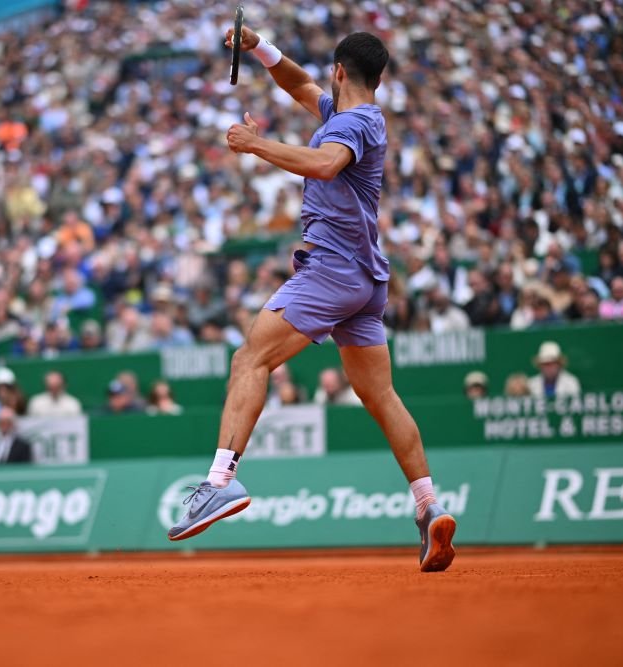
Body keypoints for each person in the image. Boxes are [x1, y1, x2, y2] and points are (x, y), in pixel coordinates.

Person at [168, 25, 456, 572]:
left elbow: (324, 164)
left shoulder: (349, 124)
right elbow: (298, 83)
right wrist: (259, 47)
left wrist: (255, 145)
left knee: (250, 359)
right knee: (380, 395)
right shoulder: (357, 114)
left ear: (340, 71)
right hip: (366, 279)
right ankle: (428, 506)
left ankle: (220, 483)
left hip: (333, 270)